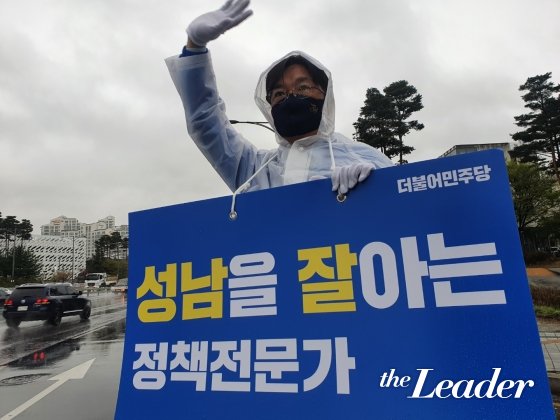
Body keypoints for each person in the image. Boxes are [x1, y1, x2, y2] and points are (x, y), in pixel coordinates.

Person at [165, 0, 393, 199]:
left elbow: (404, 208)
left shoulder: (362, 157)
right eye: (279, 94)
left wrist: (374, 188)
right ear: (270, 107)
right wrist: (194, 46)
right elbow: (206, 123)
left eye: (302, 87)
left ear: (324, 95)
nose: (291, 97)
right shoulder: (254, 169)